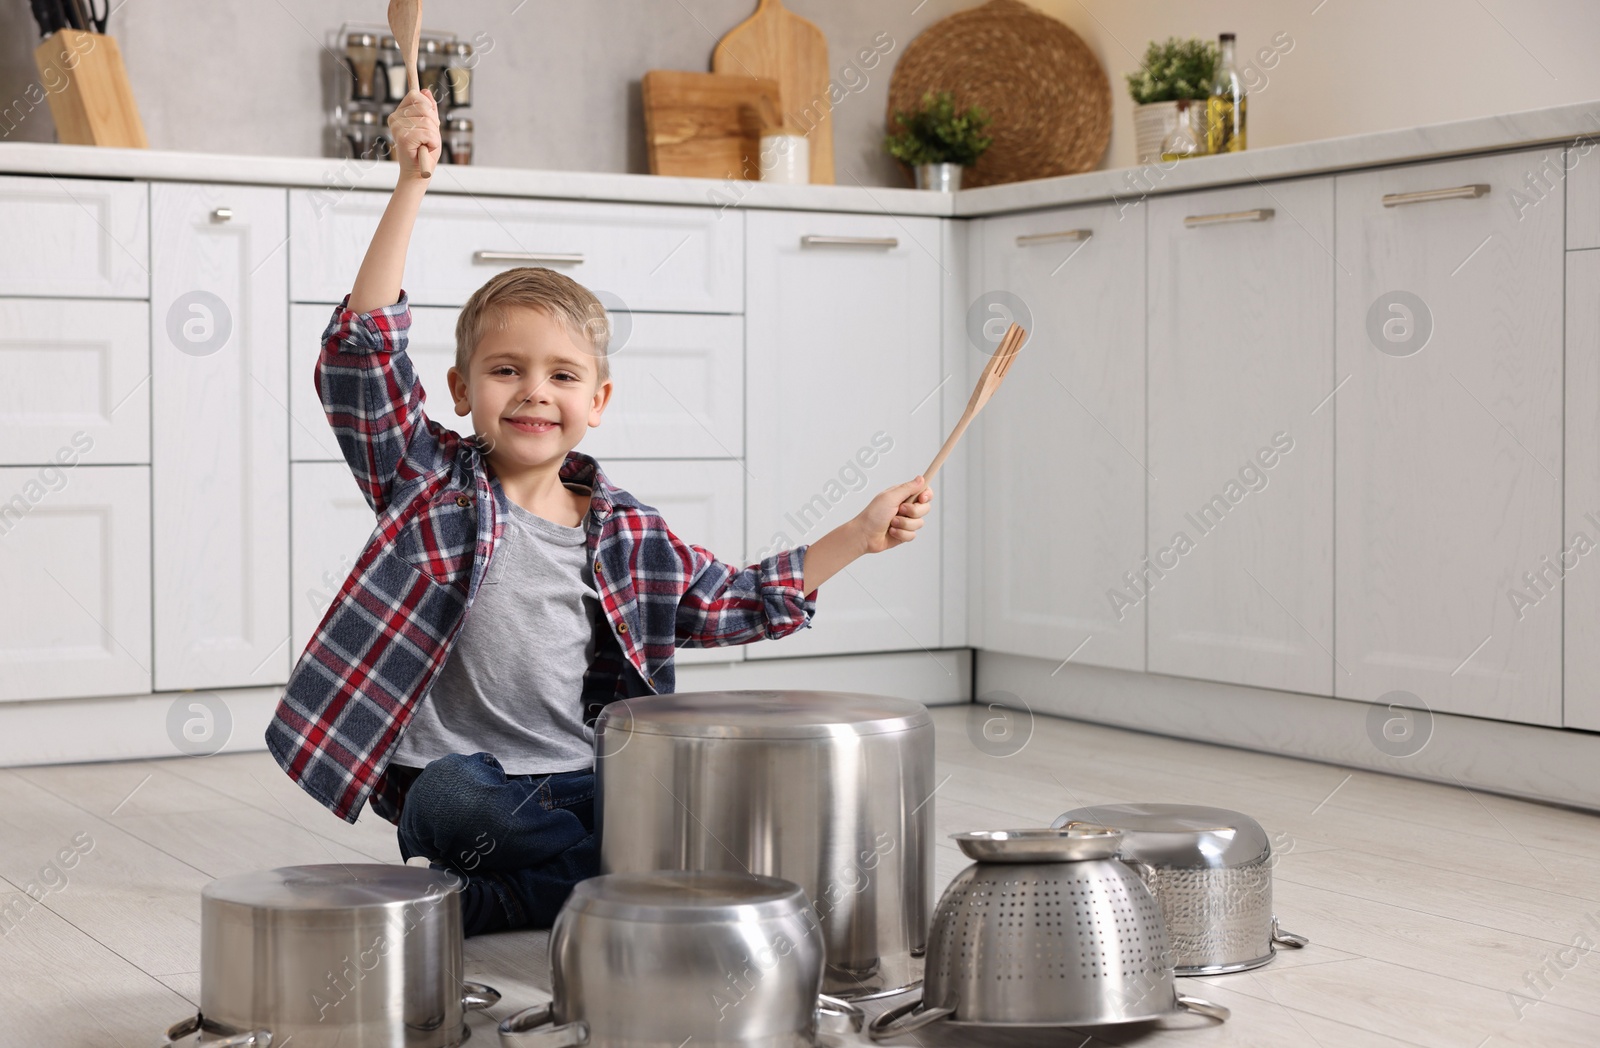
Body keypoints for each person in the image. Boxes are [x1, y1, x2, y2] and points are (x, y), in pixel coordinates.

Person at [264, 89, 934, 935]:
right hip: (478, 787)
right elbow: (360, 356)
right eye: (507, 371)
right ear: (462, 391)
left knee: (697, 799)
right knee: (445, 803)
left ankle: (527, 893)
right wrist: (410, 186)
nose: (535, 391)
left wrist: (861, 535)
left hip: (589, 778)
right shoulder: (424, 481)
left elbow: (740, 601)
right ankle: (616, 880)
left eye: (562, 375)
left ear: (599, 399)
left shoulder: (626, 533)